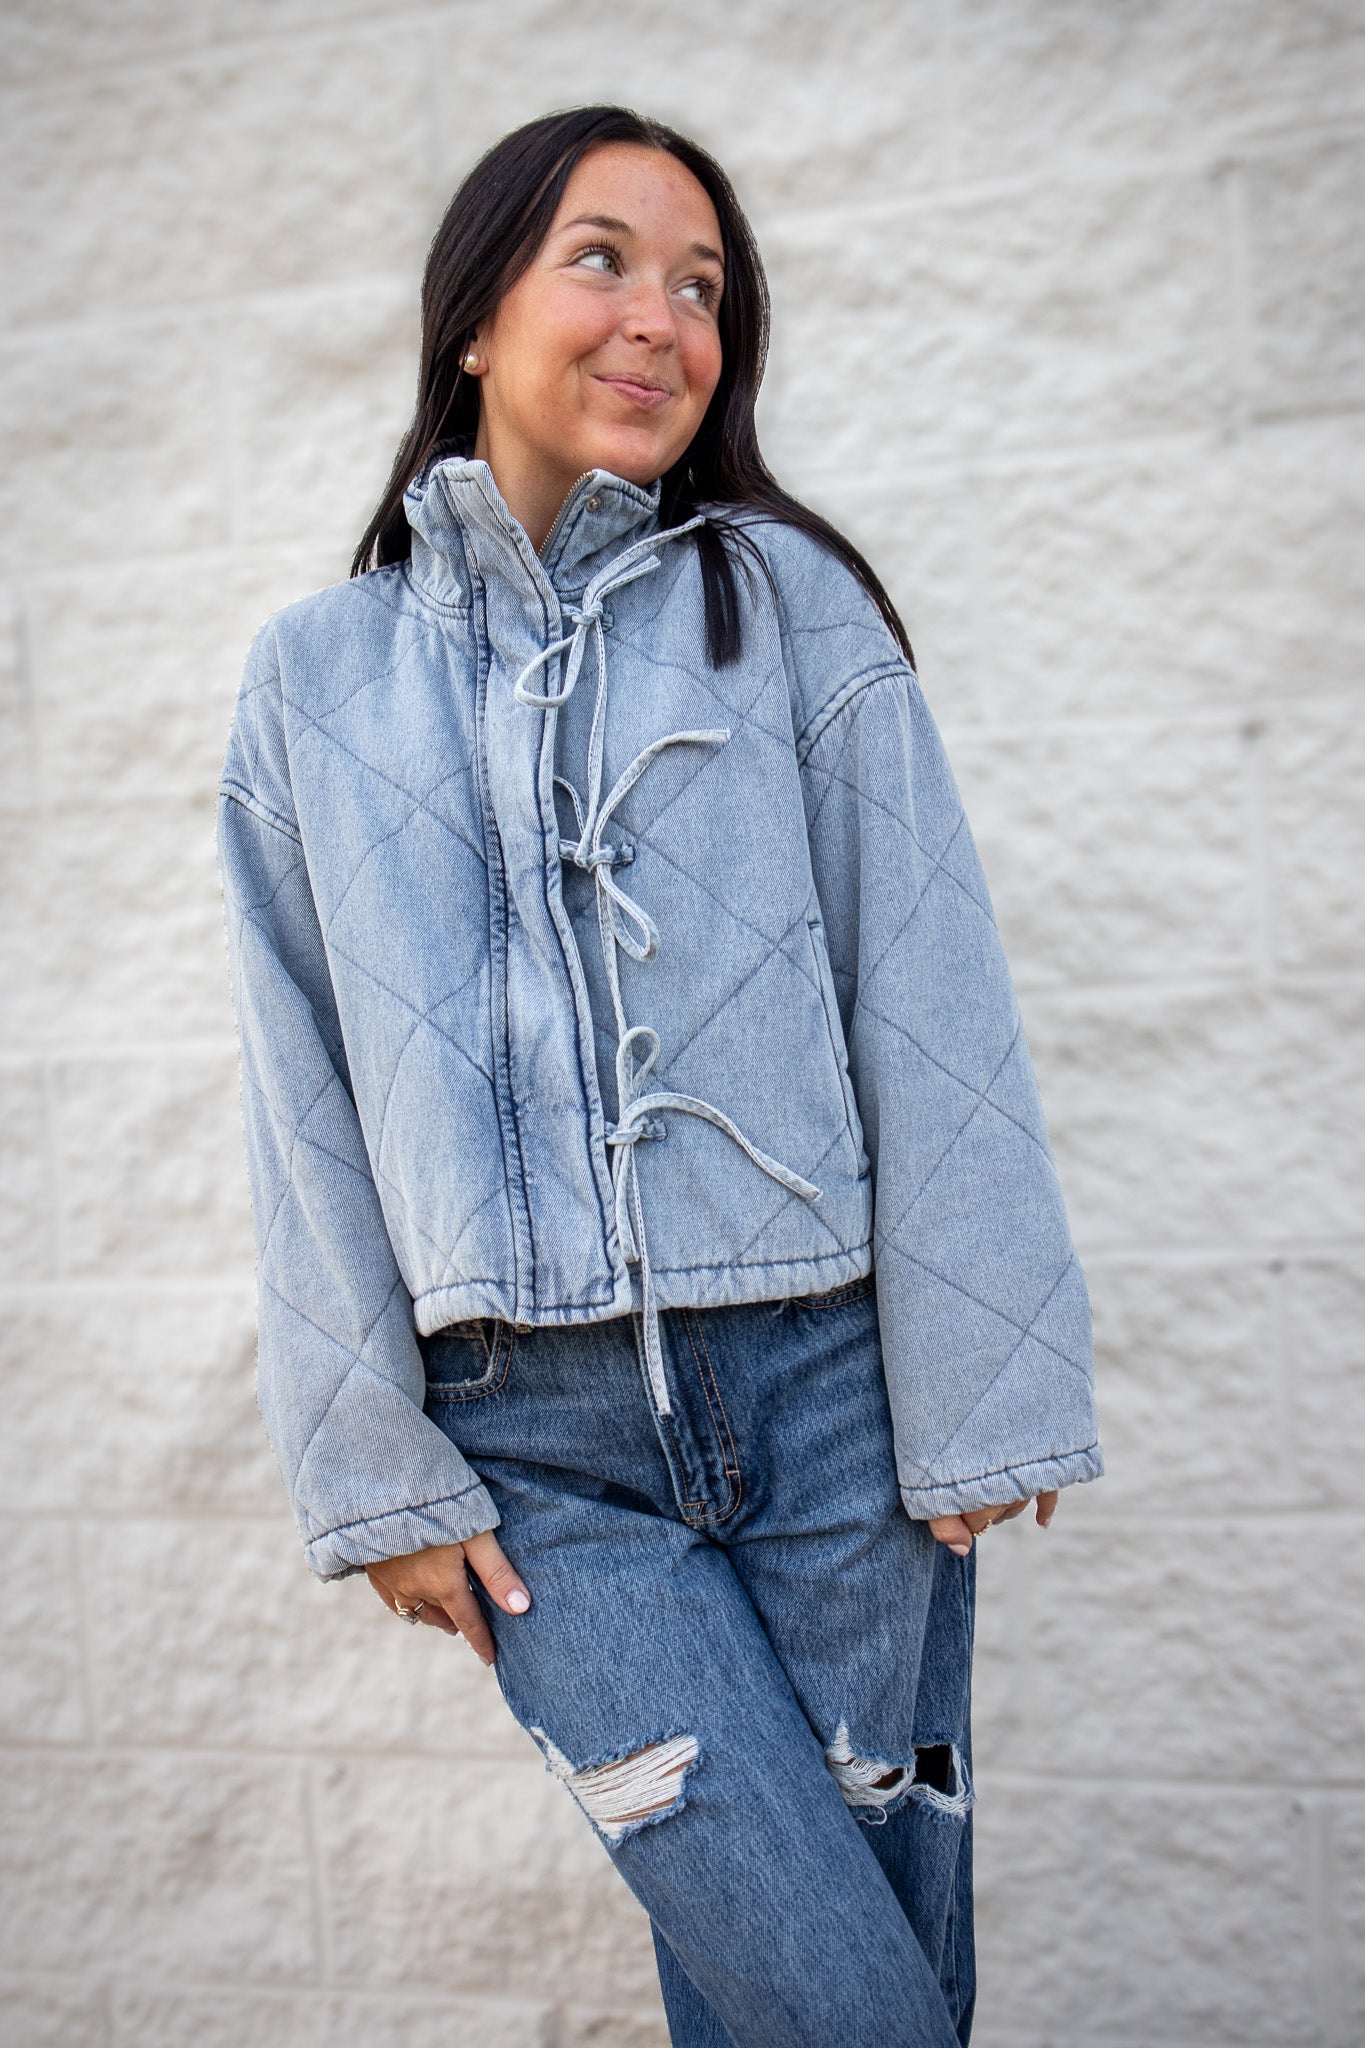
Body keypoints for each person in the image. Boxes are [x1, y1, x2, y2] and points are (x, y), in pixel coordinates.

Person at [217, 102, 1103, 2048]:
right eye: (602, 259)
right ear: (475, 314)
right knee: (845, 2006)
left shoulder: (786, 609)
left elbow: (927, 985)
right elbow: (297, 1088)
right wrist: (371, 1463)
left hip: (835, 1410)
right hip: (538, 1470)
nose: (660, 319)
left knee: (802, 1987)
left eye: (699, 284)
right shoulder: (315, 681)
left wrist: (981, 1375)